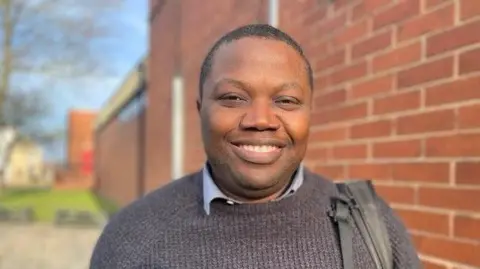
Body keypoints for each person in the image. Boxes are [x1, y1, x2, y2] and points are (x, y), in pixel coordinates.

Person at [90, 24, 421, 269]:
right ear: (200, 109)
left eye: (286, 100)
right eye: (233, 97)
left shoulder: (373, 226)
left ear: (309, 113)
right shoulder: (132, 238)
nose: (260, 119)